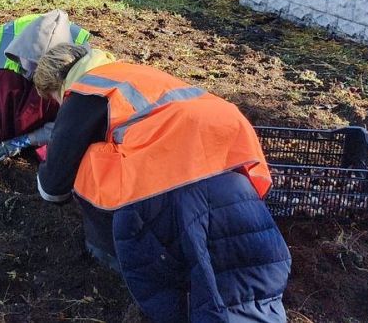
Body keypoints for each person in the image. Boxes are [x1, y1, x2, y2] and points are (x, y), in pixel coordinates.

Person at [32, 44, 291, 323]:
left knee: (90, 161)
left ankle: (107, 254)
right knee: (244, 281)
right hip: (228, 164)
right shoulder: (132, 73)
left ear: (57, 85)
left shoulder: (84, 90)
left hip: (161, 186)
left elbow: (54, 183)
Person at [0, 10, 91, 176]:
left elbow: (74, 119)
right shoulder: (4, 38)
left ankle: (39, 141)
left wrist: (26, 140)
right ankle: (1, 134)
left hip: (47, 114)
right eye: (32, 66)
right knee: (4, 79)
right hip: (9, 104)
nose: (34, 74)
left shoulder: (80, 54)